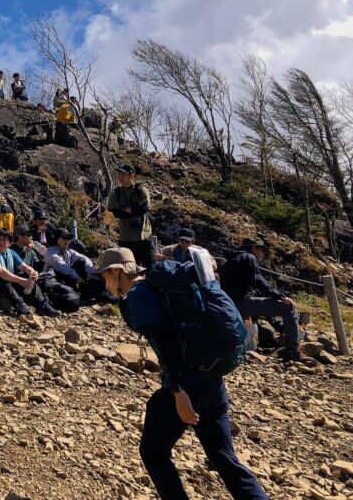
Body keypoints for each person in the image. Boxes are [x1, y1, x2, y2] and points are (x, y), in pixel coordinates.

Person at [95, 247, 269, 500]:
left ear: (117, 271)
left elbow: (166, 343)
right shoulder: (159, 287)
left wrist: (177, 391)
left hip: (189, 386)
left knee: (153, 452)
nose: (104, 281)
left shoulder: (141, 295)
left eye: (104, 275)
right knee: (223, 456)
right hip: (213, 384)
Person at [220, 238, 305, 362]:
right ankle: (292, 350)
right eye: (262, 250)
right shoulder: (249, 258)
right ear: (254, 248)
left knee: (262, 304)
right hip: (241, 303)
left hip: (228, 303)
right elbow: (259, 282)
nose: (263, 254)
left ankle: (279, 331)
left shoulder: (231, 260)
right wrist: (280, 297)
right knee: (288, 307)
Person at [0, 229, 59, 317]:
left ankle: (42, 305)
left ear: (9, 242)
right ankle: (20, 306)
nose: (1, 242)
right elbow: (0, 271)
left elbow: (24, 266)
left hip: (3, 287)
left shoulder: (11, 253)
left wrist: (32, 272)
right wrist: (20, 281)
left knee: (25, 276)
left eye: (4, 239)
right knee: (1, 278)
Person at [107, 163, 154, 268]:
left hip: (143, 237)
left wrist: (126, 209)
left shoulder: (141, 190)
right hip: (125, 238)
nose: (120, 177)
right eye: (119, 174)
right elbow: (116, 213)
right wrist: (132, 209)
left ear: (131, 175)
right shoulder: (116, 192)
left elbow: (144, 209)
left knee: (149, 269)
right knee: (129, 270)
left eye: (123, 174)